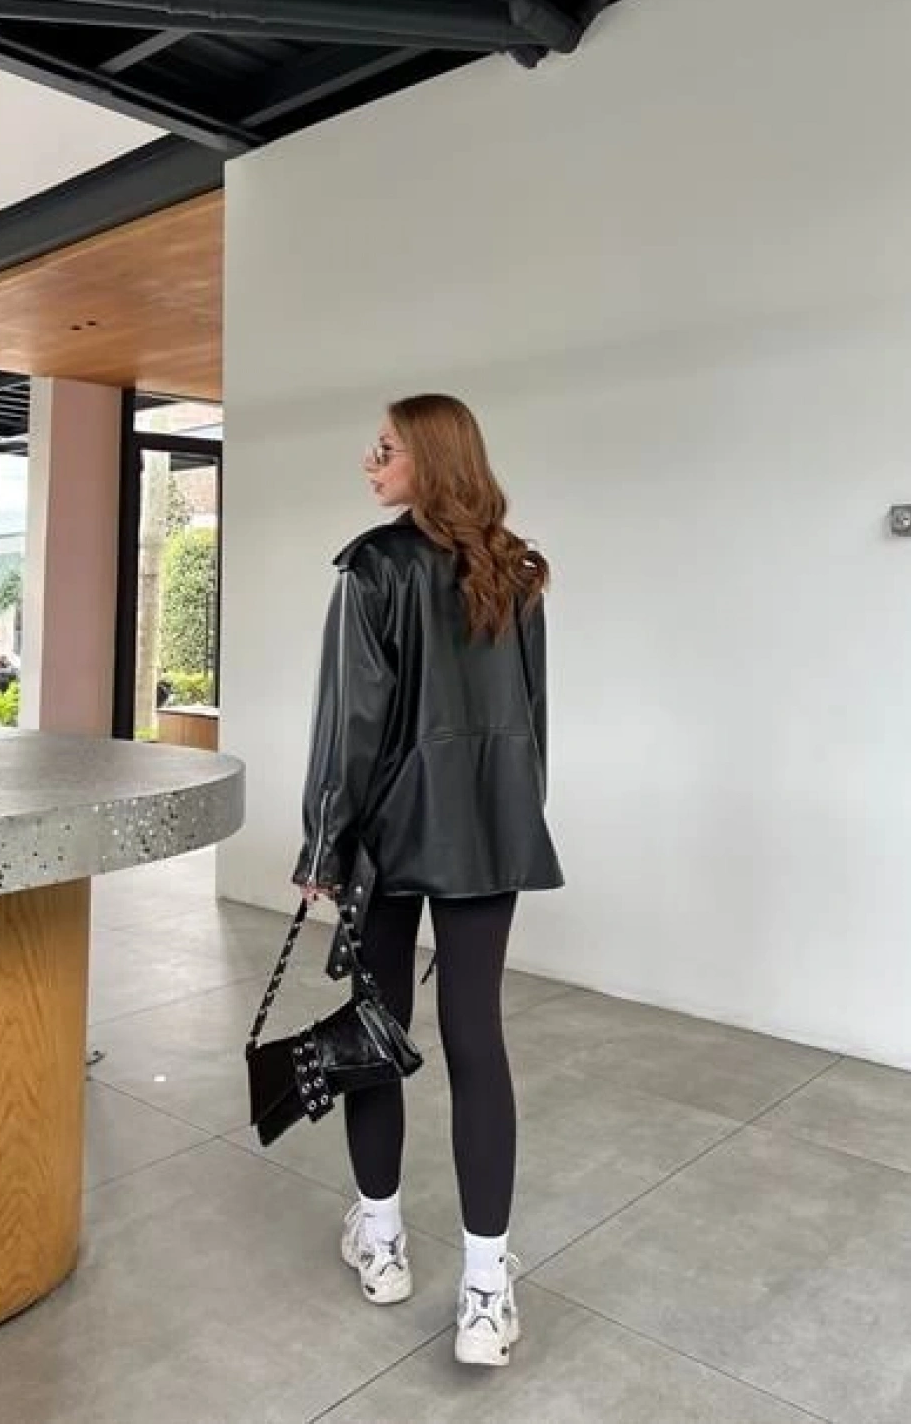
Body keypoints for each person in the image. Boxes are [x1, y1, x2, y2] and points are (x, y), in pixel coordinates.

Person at [293, 393, 563, 1368]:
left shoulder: (373, 567)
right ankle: (487, 1290)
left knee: (377, 1030)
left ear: (432, 460)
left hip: (389, 833)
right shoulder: (517, 568)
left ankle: (384, 1244)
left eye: (386, 449)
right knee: (476, 1040)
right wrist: (510, 820)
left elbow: (351, 725)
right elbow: (533, 718)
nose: (370, 463)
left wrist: (325, 844)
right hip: (489, 829)